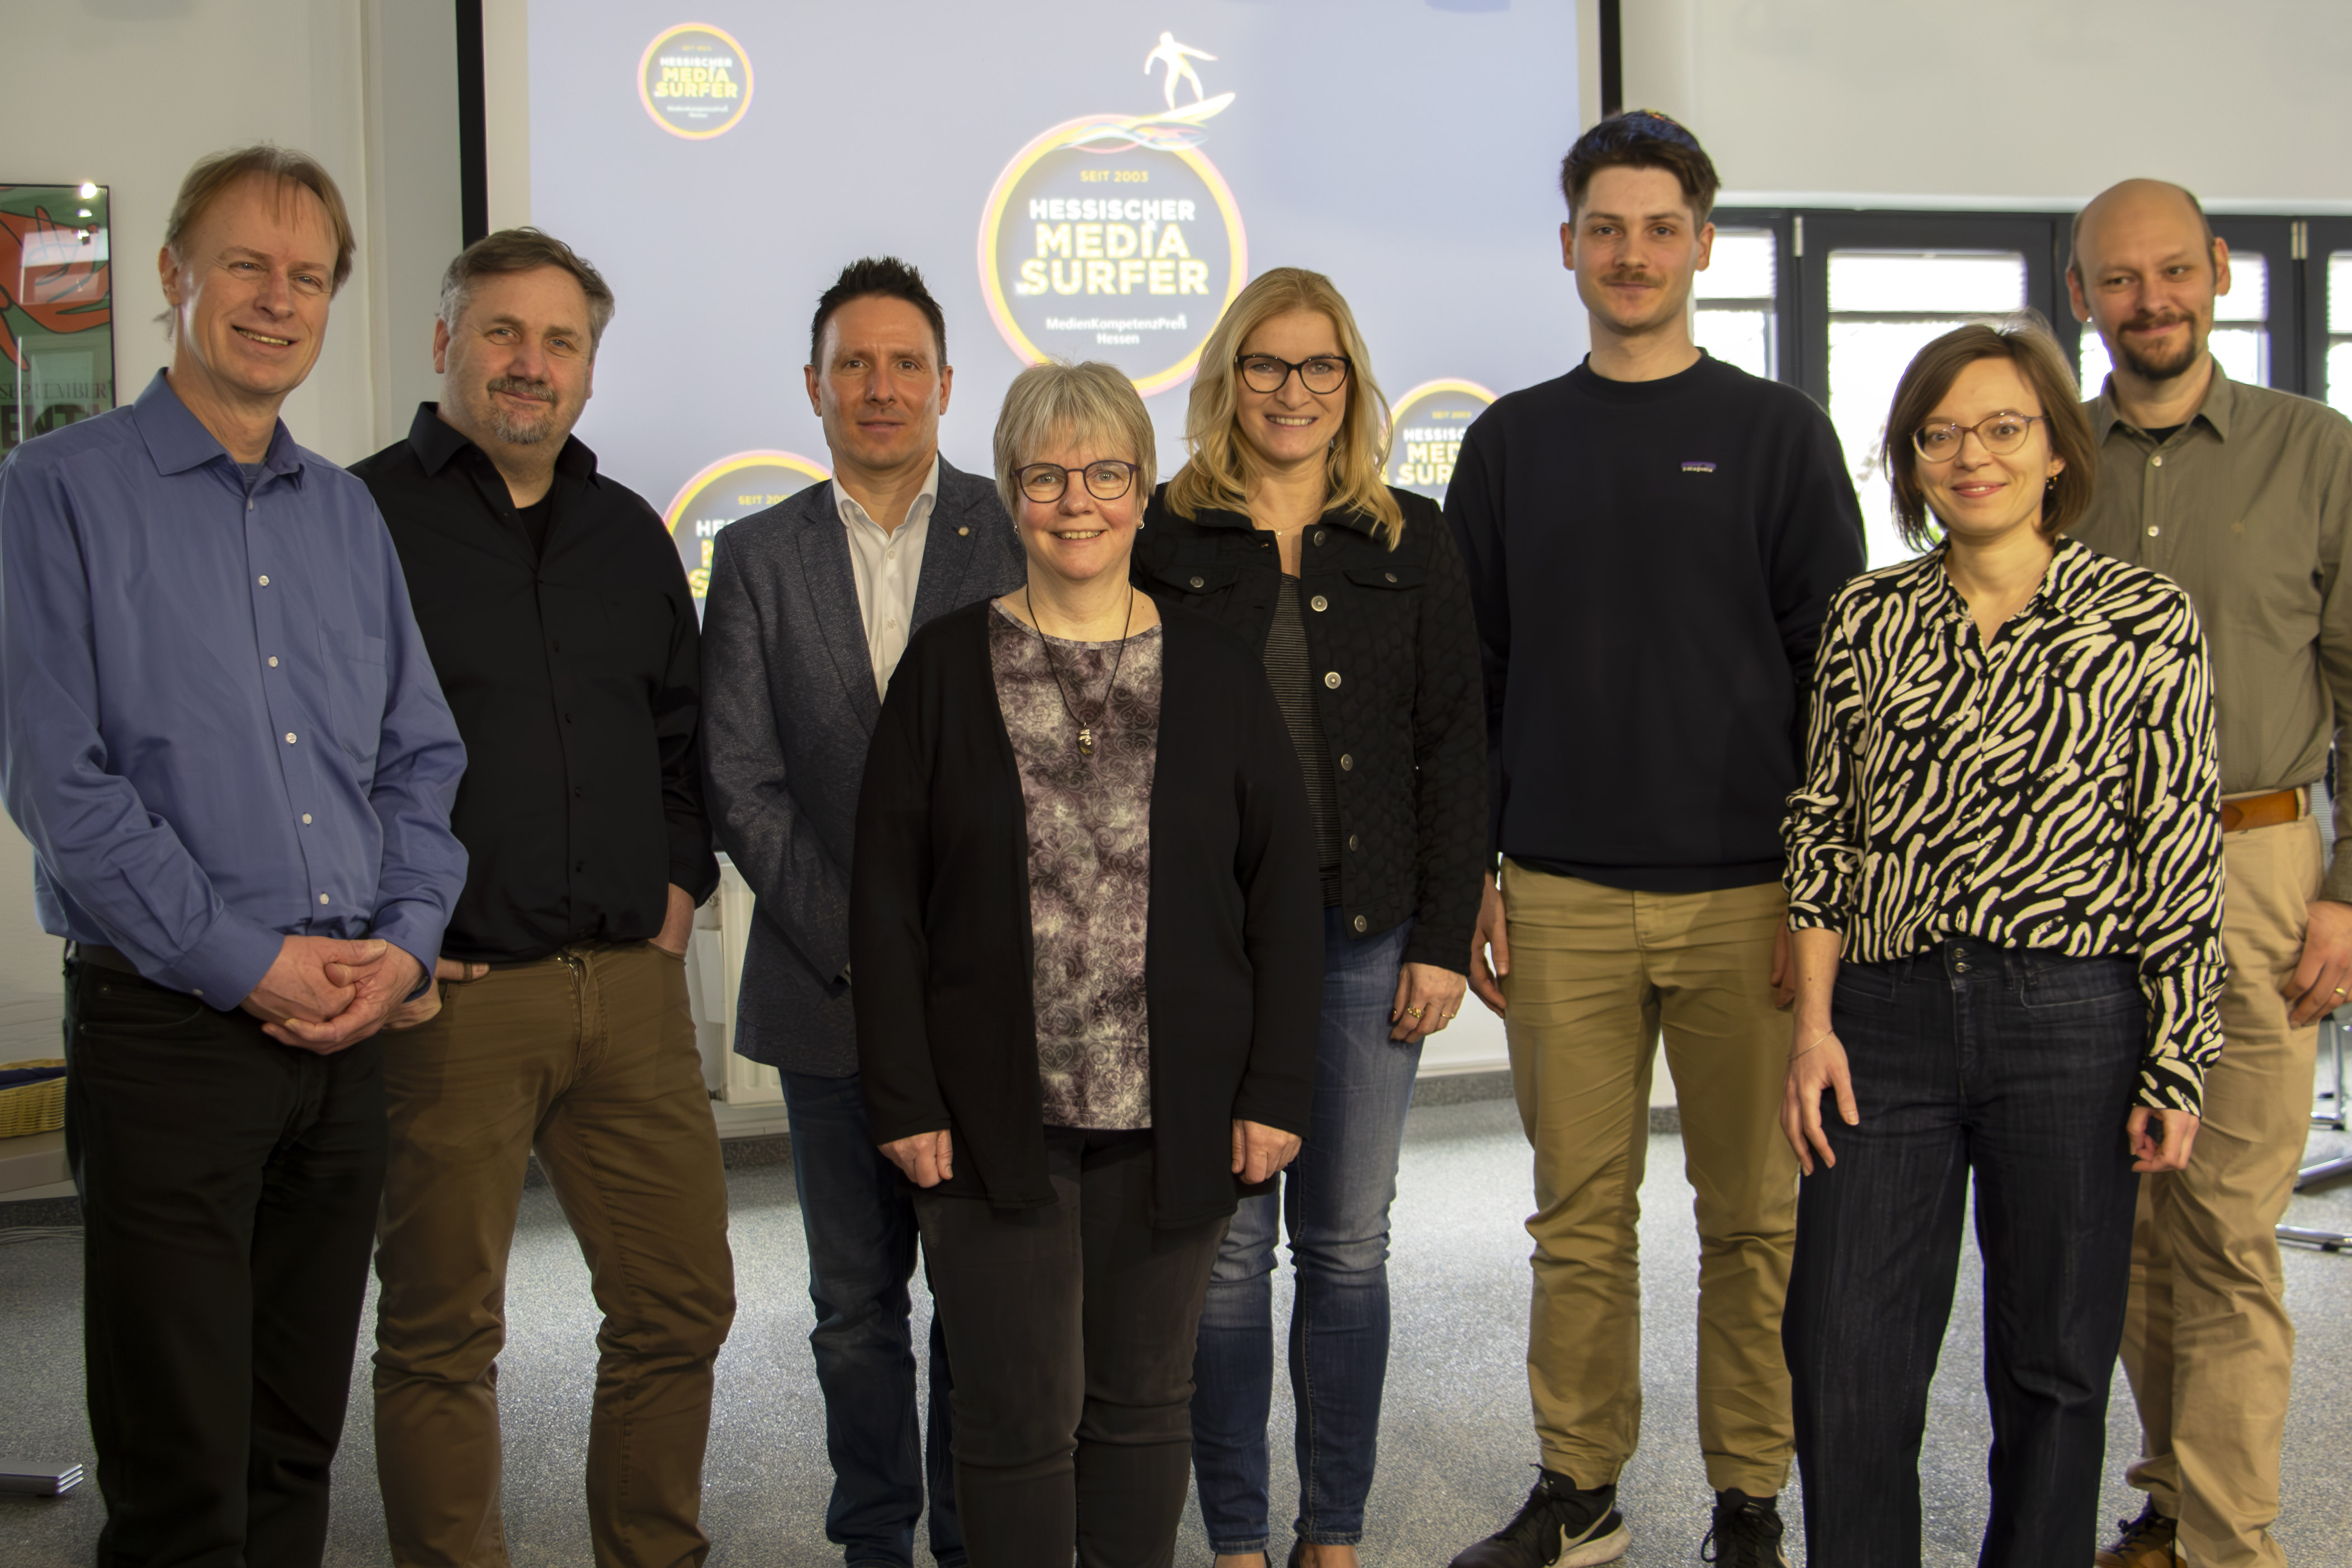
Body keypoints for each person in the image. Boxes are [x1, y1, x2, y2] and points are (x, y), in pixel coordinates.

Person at [0, 145, 467, 1564]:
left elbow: (419, 756)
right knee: (180, 1462)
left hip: (348, 1031)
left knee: (290, 1445)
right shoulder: (54, 493)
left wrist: (403, 940)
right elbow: (61, 784)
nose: (279, 299)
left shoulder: (346, 513)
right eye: (247, 266)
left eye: (308, 275)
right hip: (173, 1032)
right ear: (172, 277)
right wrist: (244, 961)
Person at [1444, 111, 1866, 1568]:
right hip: (1556, 893)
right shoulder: (1504, 446)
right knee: (1577, 1218)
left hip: (1748, 898)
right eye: (1603, 228)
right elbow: (1472, 682)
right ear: (1566, 246)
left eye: (1657, 227)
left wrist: (1818, 902)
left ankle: (1749, 1494)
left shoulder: (1775, 438)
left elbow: (1842, 686)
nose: (1630, 254)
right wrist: (1478, 877)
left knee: (1754, 1221)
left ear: (1699, 241)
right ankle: (1579, 1487)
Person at [849, 359, 1323, 1566]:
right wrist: (902, 1094)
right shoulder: (947, 669)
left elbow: (1280, 892)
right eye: (1048, 475)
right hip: (988, 1114)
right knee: (1013, 1417)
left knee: (1143, 1406)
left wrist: (1275, 1089)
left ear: (1142, 486)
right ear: (1010, 492)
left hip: (1178, 1115)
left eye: (1105, 472)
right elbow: (887, 900)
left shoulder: (1214, 667)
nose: (1078, 500)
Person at [1778, 320, 2225, 1568]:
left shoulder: (2144, 619)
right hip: (1885, 1019)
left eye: (2001, 427)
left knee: (2055, 1362)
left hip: (2073, 1018)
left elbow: (2178, 849)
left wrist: (2176, 1059)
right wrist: (1811, 1028)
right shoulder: (1868, 620)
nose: (1970, 455)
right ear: (1912, 461)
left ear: (2054, 452)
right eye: (1939, 434)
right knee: (1844, 1351)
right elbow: (1826, 836)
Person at [350, 228, 734, 1568]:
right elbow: (312, 751)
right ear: (445, 341)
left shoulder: (629, 533)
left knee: (678, 1306)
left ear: (587, 367)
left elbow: (684, 743)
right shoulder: (357, 518)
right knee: (444, 1336)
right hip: (453, 1000)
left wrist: (679, 891)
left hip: (627, 988)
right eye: (503, 332)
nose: (532, 363)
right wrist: (378, 938)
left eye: (561, 341)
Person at [1134, 267, 1485, 1567]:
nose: (1295, 392)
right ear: (1231, 381)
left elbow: (1455, 745)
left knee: (1346, 1247)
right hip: (1208, 950)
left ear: (1353, 383)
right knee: (1222, 1265)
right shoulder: (1164, 535)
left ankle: (1330, 1531)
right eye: (1269, 367)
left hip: (1367, 938)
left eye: (1320, 366)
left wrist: (1444, 937)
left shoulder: (1414, 538)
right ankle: (1234, 1536)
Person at [701, 256, 1023, 1568]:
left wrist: (949, 959)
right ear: (816, 388)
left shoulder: (1019, 530)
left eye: (905, 365)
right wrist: (866, 944)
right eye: (854, 365)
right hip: (827, 990)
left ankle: (973, 1539)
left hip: (996, 998)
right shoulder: (757, 555)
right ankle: (874, 1539)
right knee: (852, 1304)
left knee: (983, 1299)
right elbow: (739, 776)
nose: (879, 388)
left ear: (948, 384)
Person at [2064, 178, 2352, 1568]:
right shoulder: (2054, 460)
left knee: (2231, 1229)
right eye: (2120, 279)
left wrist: (2348, 891)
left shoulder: (2318, 450)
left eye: (2173, 269)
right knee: (2128, 1224)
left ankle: (2234, 1546)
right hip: (2093, 882)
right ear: (2083, 296)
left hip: (2257, 861)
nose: (2150, 299)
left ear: (2222, 272)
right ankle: (2174, 1502)